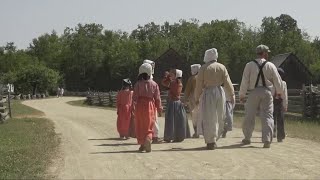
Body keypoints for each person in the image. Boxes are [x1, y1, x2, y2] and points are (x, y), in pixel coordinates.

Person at [239, 44, 283, 148]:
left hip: (253, 92)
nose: (267, 54)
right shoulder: (271, 65)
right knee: (267, 116)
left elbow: (245, 81)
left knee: (249, 115)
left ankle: (247, 138)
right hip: (267, 92)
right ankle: (267, 139)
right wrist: (279, 91)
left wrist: (242, 94)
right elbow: (277, 80)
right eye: (267, 52)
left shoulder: (249, 65)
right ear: (263, 53)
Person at [195, 48, 235, 150]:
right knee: (220, 115)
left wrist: (197, 97)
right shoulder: (222, 67)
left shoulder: (204, 68)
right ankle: (216, 137)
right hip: (220, 92)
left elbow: (199, 84)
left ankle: (210, 140)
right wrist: (232, 94)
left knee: (209, 117)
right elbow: (228, 82)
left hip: (208, 92)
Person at [133, 63, 162, 152]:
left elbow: (134, 97)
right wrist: (159, 108)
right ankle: (148, 139)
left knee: (140, 125)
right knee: (149, 125)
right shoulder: (154, 84)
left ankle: (142, 144)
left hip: (139, 106)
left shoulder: (138, 84)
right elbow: (157, 98)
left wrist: (133, 108)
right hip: (150, 106)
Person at [162, 69, 191, 143]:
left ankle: (169, 136)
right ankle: (178, 136)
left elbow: (164, 83)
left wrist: (167, 77)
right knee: (178, 121)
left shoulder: (173, 83)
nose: (171, 75)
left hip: (172, 103)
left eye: (172, 74)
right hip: (178, 102)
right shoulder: (179, 83)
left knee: (171, 120)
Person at [143, 59, 161, 143]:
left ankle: (148, 136)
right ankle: (154, 136)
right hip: (151, 103)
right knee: (153, 119)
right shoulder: (151, 80)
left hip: (143, 103)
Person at [184, 64, 201, 138]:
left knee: (194, 115)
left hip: (193, 98)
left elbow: (187, 90)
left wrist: (185, 99)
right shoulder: (202, 77)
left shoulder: (191, 79)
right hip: (203, 97)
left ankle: (196, 132)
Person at [273, 68, 288, 142]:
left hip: (275, 101)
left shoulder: (273, 83)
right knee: (280, 119)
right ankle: (280, 136)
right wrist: (285, 105)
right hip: (278, 101)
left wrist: (285, 105)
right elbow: (285, 95)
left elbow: (284, 95)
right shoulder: (283, 83)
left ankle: (275, 134)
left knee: (273, 118)